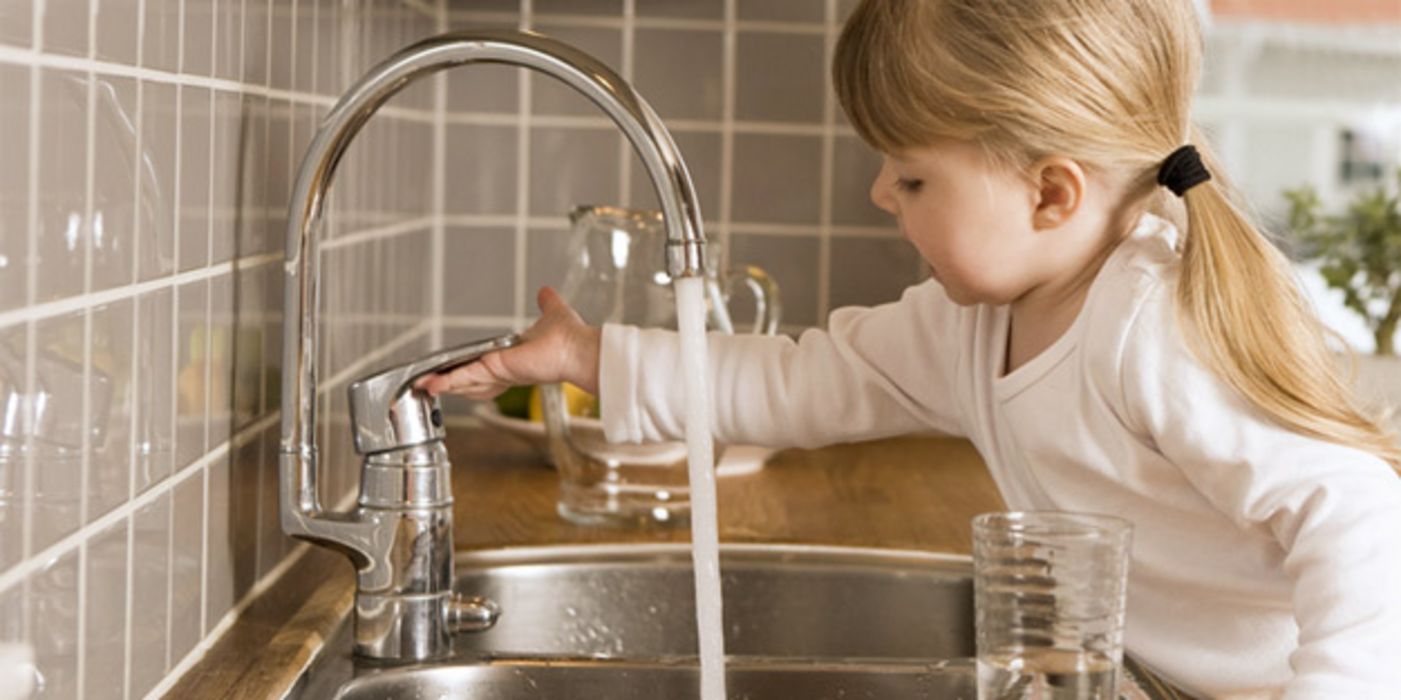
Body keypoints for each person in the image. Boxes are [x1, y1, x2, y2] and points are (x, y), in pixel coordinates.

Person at [420, 1, 1401, 697]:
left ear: (1050, 193)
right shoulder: (972, 320)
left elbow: (1357, 517)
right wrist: (592, 356)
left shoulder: (1152, 325)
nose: (883, 196)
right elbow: (803, 381)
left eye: (915, 176)